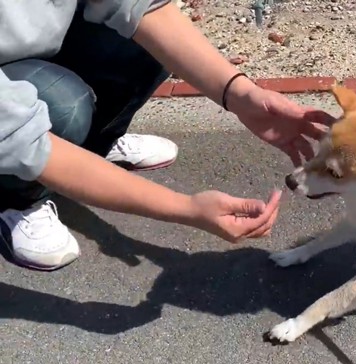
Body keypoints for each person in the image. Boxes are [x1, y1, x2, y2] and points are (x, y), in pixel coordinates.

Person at [0, 1, 335, 271]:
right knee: (65, 106)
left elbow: (138, 6)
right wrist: (186, 208)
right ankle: (17, 196)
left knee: (144, 43)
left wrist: (239, 94)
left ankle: (93, 146)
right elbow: (21, 135)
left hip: (30, 46)